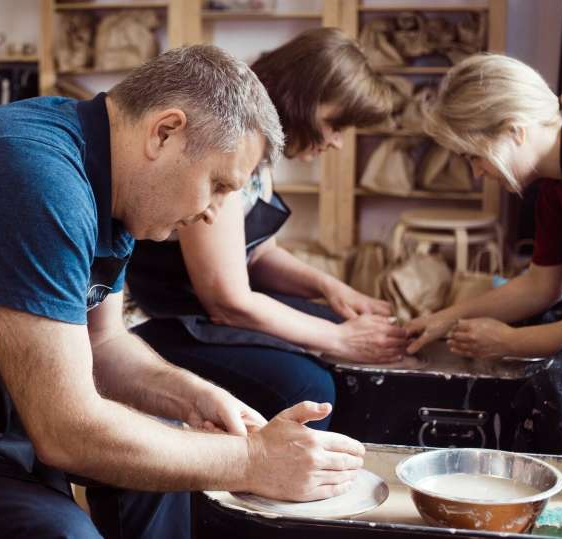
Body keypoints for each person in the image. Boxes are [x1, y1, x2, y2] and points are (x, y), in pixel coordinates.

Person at [0, 45, 368, 539]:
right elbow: (65, 432)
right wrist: (252, 460)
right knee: (64, 532)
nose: (214, 214)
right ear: (165, 132)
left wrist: (192, 397)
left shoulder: (111, 180)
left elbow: (103, 341)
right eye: (218, 185)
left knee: (172, 462)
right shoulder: (34, 175)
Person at [127, 28, 408, 433]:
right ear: (302, 99)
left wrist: (331, 288)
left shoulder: (260, 146)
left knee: (329, 325)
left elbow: (258, 254)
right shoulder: (229, 141)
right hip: (155, 316)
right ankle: (283, 484)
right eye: (335, 125)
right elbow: (229, 301)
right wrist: (339, 339)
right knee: (309, 384)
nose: (337, 143)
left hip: (202, 307)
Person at [406, 53, 562, 455]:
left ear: (515, 131)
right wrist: (442, 319)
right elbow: (541, 286)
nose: (476, 172)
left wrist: (512, 341)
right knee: (543, 321)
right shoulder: (553, 178)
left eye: (474, 155)